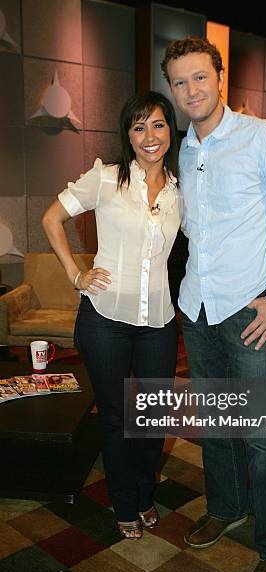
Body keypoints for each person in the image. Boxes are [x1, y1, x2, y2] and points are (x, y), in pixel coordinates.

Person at [161, 38, 266, 572]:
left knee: (265, 435)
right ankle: (226, 507)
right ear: (172, 90)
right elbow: (192, 227)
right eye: (180, 82)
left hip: (252, 310)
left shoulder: (260, 137)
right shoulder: (182, 151)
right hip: (198, 308)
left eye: (200, 77)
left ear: (219, 77)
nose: (191, 90)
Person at [42, 91, 180, 540]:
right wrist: (75, 274)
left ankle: (144, 493)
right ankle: (125, 502)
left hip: (158, 320)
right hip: (105, 318)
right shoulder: (106, 178)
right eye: (138, 127)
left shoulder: (182, 190)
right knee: (118, 417)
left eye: (157, 125)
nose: (149, 136)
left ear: (170, 130)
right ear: (128, 135)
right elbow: (51, 219)